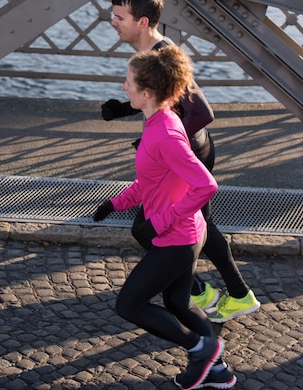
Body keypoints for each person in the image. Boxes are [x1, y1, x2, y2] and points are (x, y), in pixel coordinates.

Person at [101, 0, 260, 323]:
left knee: (161, 226)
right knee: (173, 225)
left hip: (191, 152)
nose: (112, 22)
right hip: (178, 151)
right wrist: (125, 110)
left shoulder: (163, 51)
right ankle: (211, 290)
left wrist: (162, 145)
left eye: (119, 17)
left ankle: (225, 293)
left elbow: (202, 112)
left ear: (142, 22)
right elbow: (165, 98)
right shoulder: (150, 52)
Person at [93, 45, 235, 390]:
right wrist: (116, 203)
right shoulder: (160, 120)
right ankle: (218, 373)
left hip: (177, 238)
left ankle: (202, 349)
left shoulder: (166, 133)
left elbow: (205, 186)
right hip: (185, 233)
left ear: (147, 93)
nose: (123, 87)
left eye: (128, 82)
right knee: (178, 301)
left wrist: (161, 221)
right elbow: (151, 180)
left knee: (130, 304)